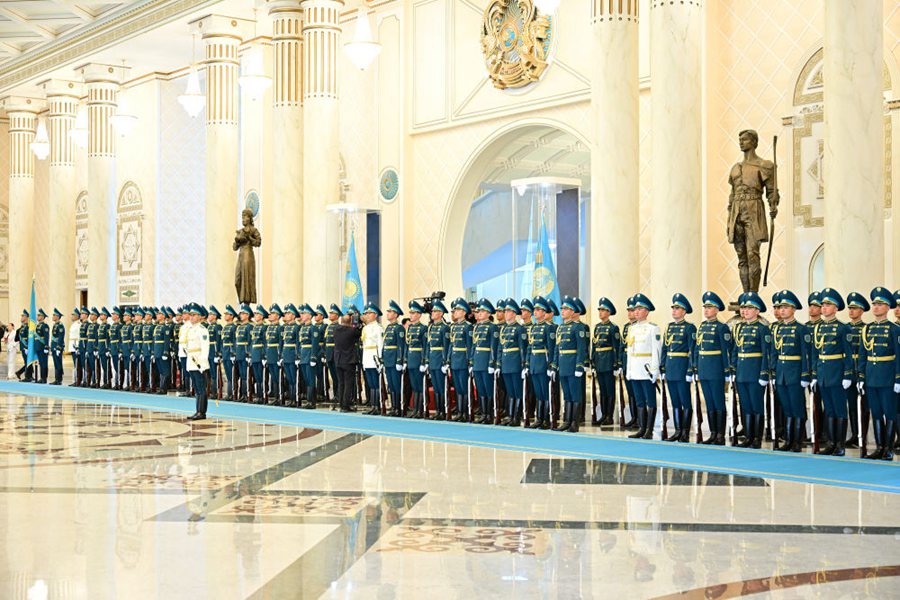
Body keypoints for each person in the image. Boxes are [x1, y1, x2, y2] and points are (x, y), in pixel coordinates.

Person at [727, 129, 779, 293]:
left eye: (745, 139)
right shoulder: (735, 168)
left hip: (754, 209)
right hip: (737, 211)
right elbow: (732, 195)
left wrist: (773, 204)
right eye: (740, 139)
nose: (741, 142)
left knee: (752, 254)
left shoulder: (764, 166)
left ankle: (753, 296)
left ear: (754, 142)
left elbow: (772, 192)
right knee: (741, 257)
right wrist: (729, 221)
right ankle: (745, 296)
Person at [856, 287, 900, 460]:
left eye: (880, 304)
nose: (876, 307)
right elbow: (862, 355)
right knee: (876, 413)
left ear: (888, 307)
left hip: (888, 377)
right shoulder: (866, 329)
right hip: (871, 377)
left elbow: (898, 355)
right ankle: (879, 447)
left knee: (889, 413)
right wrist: (861, 376)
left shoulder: (894, 329)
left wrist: (898, 377)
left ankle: (888, 448)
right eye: (874, 304)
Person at [810, 288, 854, 456]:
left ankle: (840, 444)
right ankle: (830, 442)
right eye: (823, 304)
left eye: (828, 305)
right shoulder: (818, 328)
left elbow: (849, 355)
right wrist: (814, 375)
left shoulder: (843, 329)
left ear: (836, 308)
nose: (824, 307)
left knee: (839, 410)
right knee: (828, 409)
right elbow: (815, 354)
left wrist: (847, 375)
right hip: (822, 374)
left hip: (837, 373)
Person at [769, 290, 810, 452]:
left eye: (786, 307)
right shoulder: (777, 329)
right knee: (786, 408)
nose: (782, 310)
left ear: (793, 309)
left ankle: (797, 442)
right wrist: (772, 372)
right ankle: (788, 440)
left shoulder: (801, 329)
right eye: (780, 307)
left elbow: (806, 355)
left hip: (795, 373)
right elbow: (773, 353)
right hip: (781, 374)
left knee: (797, 407)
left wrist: (805, 374)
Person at [692, 292, 733, 445]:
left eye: (710, 307)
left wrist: (726, 370)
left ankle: (721, 434)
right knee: (709, 402)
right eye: (705, 307)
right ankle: (713, 433)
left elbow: (725, 350)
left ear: (716, 309)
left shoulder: (721, 327)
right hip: (703, 369)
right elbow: (697, 348)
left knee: (718, 401)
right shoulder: (702, 326)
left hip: (716, 369)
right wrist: (695, 366)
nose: (706, 310)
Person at [733, 292, 771, 449]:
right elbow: (735, 351)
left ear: (757, 311)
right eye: (743, 308)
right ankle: (748, 436)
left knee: (756, 406)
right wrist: (733, 370)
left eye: (749, 308)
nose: (745, 311)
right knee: (745, 405)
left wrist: (764, 373)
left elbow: (766, 354)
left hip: (755, 373)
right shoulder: (739, 328)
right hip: (742, 373)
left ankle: (756, 437)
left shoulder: (762, 329)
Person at [661, 294, 697, 443]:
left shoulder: (690, 328)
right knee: (675, 401)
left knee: (685, 401)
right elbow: (665, 348)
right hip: (670, 368)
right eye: (673, 308)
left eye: (677, 308)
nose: (674, 311)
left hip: (682, 368)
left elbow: (692, 350)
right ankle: (677, 430)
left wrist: (690, 369)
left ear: (684, 311)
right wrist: (662, 367)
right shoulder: (669, 327)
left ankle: (685, 432)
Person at [626, 294, 662, 439]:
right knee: (639, 400)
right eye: (635, 309)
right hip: (635, 369)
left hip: (646, 369)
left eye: (640, 309)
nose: (636, 312)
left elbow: (656, 351)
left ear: (647, 312)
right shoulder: (632, 328)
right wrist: (629, 369)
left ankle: (649, 429)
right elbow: (630, 351)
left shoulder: (653, 328)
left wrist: (655, 370)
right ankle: (641, 428)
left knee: (650, 400)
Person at [551, 296, 589, 432]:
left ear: (572, 312)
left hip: (573, 365)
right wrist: (554, 365)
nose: (562, 311)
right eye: (562, 308)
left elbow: (581, 348)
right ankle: (566, 421)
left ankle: (574, 422)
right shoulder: (560, 328)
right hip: (563, 365)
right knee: (566, 394)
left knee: (575, 394)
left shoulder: (577, 327)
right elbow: (557, 348)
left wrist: (580, 365)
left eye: (566, 309)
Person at [845, 292, 869, 449]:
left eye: (855, 308)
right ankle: (854, 435)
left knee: (864, 405)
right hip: (849, 371)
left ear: (861, 311)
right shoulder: (845, 328)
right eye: (850, 308)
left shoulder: (865, 329)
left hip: (862, 370)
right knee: (852, 405)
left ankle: (863, 435)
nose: (851, 311)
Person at [591, 297, 621, 427]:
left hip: (608, 361)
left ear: (609, 312)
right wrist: (592, 361)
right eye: (600, 310)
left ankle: (609, 416)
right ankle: (603, 415)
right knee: (602, 390)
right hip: (599, 361)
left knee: (609, 390)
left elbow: (617, 347)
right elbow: (594, 345)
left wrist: (616, 363)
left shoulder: (613, 328)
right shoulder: (597, 327)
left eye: (603, 310)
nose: (600, 312)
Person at [528, 296, 556, 430]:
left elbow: (551, 348)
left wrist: (551, 365)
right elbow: (529, 347)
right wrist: (528, 364)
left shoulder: (548, 327)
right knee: (539, 393)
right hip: (534, 363)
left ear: (544, 312)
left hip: (543, 364)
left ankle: (546, 418)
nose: (535, 312)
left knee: (545, 392)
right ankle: (539, 418)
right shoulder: (533, 328)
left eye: (538, 310)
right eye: (535, 309)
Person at [499, 299, 527, 427]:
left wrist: (523, 364)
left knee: (517, 390)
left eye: (508, 311)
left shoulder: (519, 329)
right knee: (510, 391)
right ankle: (510, 416)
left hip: (515, 363)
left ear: (514, 313)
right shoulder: (503, 329)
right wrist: (498, 364)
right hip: (506, 363)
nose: (506, 313)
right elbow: (500, 347)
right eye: (505, 311)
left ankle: (516, 416)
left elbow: (523, 348)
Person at [471, 298, 499, 424]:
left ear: (488, 313)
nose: (480, 313)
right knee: (480, 389)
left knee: (488, 389)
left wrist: (492, 362)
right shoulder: (476, 327)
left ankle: (489, 414)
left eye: (482, 311)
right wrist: (471, 362)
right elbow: (473, 345)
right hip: (477, 361)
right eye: (479, 311)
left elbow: (494, 346)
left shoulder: (492, 327)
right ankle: (483, 413)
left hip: (486, 361)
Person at [425, 300, 451, 420]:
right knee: (435, 387)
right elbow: (428, 346)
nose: (432, 313)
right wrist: (427, 361)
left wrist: (445, 361)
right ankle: (438, 410)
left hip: (440, 359)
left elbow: (446, 346)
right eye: (432, 311)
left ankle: (444, 410)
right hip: (432, 359)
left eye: (435, 311)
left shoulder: (444, 328)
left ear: (441, 313)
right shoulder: (430, 327)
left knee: (442, 387)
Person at [449, 298, 473, 421]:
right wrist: (448, 360)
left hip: (463, 360)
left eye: (458, 310)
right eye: (455, 310)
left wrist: (470, 361)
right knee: (458, 388)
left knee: (464, 387)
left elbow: (470, 346)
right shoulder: (453, 327)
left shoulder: (468, 327)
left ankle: (465, 412)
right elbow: (451, 345)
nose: (455, 312)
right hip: (454, 360)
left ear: (464, 312)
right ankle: (459, 411)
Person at [185, 304, 211, 420]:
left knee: (201, 389)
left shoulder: (202, 330)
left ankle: (201, 412)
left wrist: (202, 363)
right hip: (191, 362)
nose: (191, 317)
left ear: (200, 317)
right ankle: (197, 410)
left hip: (199, 363)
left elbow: (205, 348)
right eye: (190, 315)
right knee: (196, 388)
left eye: (194, 315)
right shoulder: (190, 329)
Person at [382, 300, 407, 417]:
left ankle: (398, 407)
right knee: (391, 385)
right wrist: (382, 359)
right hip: (387, 360)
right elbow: (385, 344)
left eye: (390, 312)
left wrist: (399, 360)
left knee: (397, 385)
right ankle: (393, 406)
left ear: (396, 314)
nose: (388, 313)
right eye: (388, 311)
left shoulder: (399, 328)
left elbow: (401, 346)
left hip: (394, 360)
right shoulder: (388, 327)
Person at [333, 314, 362, 412]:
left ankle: (341, 404)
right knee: (348, 383)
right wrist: (357, 322)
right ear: (350, 322)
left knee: (341, 383)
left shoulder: (336, 330)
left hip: (338, 360)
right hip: (348, 361)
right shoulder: (352, 331)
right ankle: (346, 405)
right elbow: (359, 332)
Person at [361, 303, 385, 415]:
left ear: (375, 315)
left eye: (369, 313)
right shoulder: (365, 328)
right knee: (370, 383)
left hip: (375, 358)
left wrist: (380, 359)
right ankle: (373, 405)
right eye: (366, 313)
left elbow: (380, 344)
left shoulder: (378, 328)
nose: (367, 315)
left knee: (376, 383)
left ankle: (379, 405)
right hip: (367, 358)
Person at [406, 301, 429, 418]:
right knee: (414, 386)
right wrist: (405, 360)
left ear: (419, 315)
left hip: (418, 359)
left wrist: (423, 361)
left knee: (420, 386)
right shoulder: (410, 328)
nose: (411, 315)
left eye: (414, 313)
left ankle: (421, 409)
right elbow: (407, 345)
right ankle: (415, 409)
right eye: (410, 313)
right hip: (411, 359)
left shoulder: (423, 328)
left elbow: (425, 346)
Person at [299, 304, 323, 409]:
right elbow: (300, 343)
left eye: (304, 314)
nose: (302, 315)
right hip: (303, 355)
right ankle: (308, 400)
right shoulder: (302, 328)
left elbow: (314, 344)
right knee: (306, 379)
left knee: (311, 379)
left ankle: (311, 401)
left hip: (309, 355)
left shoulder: (314, 329)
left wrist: (313, 357)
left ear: (309, 316)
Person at [265, 304, 283, 403]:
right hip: (270, 354)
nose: (270, 315)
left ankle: (279, 397)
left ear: (277, 316)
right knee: (273, 377)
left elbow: (280, 342)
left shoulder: (280, 328)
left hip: (276, 354)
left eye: (273, 314)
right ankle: (276, 397)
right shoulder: (269, 328)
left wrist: (280, 355)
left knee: (278, 377)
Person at [50, 309, 66, 385]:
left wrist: (58, 347)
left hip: (57, 347)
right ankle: (56, 378)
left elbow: (60, 337)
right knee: (55, 363)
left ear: (58, 316)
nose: (53, 316)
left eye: (54, 315)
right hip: (54, 346)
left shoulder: (60, 326)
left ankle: (59, 379)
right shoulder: (55, 325)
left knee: (58, 363)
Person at [35, 308, 50, 383]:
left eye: (39, 315)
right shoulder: (37, 326)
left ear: (43, 317)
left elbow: (46, 337)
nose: (37, 317)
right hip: (38, 347)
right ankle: (41, 377)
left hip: (42, 347)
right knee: (41, 363)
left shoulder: (45, 326)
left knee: (44, 363)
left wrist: (46, 346)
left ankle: (44, 378)